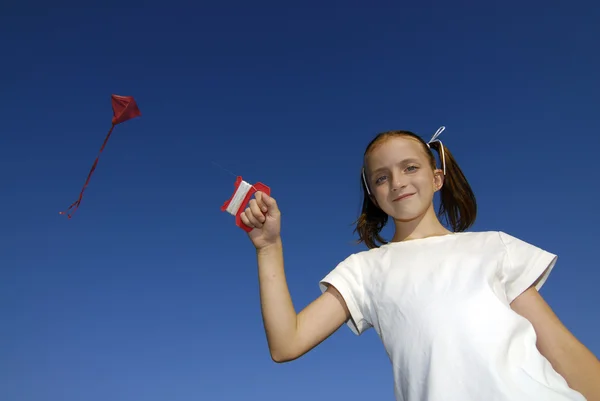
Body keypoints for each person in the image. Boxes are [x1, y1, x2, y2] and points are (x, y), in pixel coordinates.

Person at [240, 126, 600, 401]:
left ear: (436, 177)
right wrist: (269, 247)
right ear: (374, 195)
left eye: (410, 167)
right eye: (381, 177)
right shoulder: (364, 270)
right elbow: (286, 344)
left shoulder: (494, 247)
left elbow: (561, 348)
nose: (397, 182)